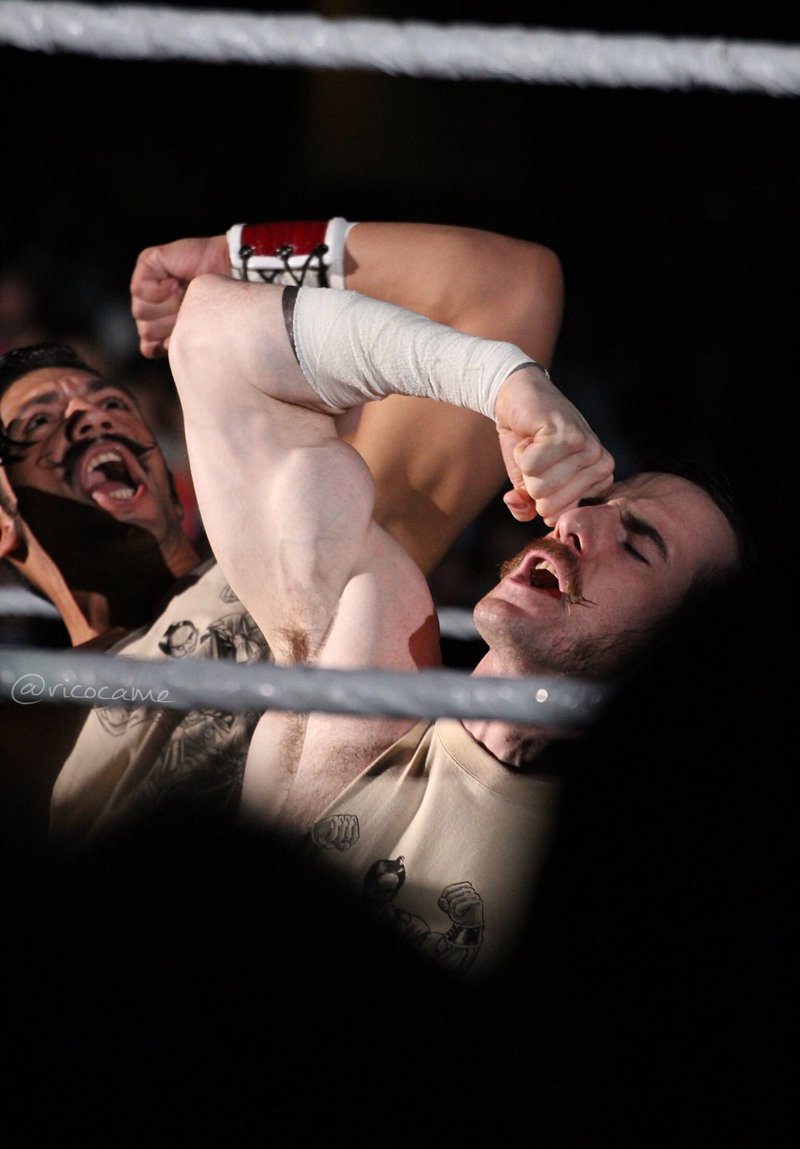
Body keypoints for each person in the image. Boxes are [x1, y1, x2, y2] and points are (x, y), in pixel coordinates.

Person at [160, 272, 740, 977]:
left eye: (638, 546)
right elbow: (210, 335)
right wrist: (500, 381)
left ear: (675, 653)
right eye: (600, 502)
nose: (578, 522)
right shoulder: (370, 672)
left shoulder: (622, 889)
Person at [0, 216, 563, 843]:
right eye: (39, 422)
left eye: (111, 403)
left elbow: (509, 287)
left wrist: (232, 257)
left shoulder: (308, 538)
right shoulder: (33, 723)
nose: (90, 417)